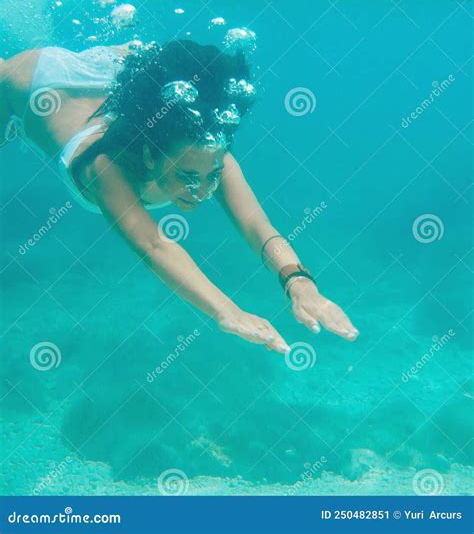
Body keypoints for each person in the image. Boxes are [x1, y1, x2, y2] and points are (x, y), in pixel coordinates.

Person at [0, 38, 359, 354]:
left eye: (212, 175)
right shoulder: (106, 167)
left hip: (116, 72)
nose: (204, 190)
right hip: (36, 80)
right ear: (149, 155)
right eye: (187, 177)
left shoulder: (206, 150)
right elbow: (154, 246)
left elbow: (255, 224)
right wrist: (227, 311)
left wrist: (299, 282)